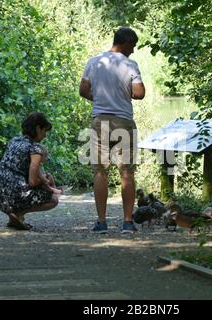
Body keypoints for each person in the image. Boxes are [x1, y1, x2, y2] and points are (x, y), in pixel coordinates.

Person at [79, 27, 146, 234]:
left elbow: (83, 90)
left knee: (100, 171)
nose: (133, 51)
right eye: (133, 46)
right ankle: (127, 222)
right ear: (125, 42)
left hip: (100, 122)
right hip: (123, 121)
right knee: (126, 172)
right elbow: (139, 93)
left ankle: (101, 222)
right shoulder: (130, 64)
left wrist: (100, 99)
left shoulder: (94, 62)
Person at [0, 112, 59, 230]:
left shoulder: (14, 140)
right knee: (53, 200)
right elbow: (32, 182)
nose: (45, 136)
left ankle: (13, 215)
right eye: (44, 131)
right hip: (15, 196)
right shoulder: (35, 148)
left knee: (23, 187)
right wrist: (46, 181)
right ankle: (18, 214)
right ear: (38, 128)